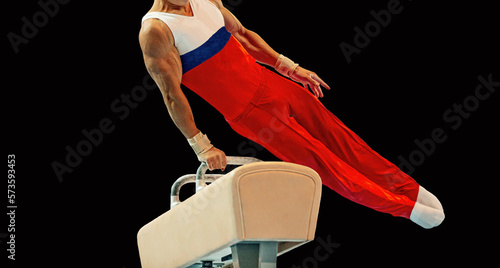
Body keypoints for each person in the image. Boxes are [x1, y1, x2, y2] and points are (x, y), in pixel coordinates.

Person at [139, 0, 445, 228]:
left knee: (342, 139)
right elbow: (171, 93)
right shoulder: (156, 30)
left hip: (272, 83)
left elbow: (243, 35)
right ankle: (403, 209)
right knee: (324, 163)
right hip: (250, 112)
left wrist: (289, 67)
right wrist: (201, 145)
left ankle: (410, 189)